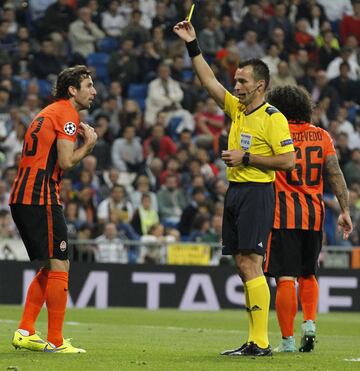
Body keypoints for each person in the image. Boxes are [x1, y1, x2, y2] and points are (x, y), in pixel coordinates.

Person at [173, 20, 295, 357]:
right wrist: (192, 44)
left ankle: (261, 342)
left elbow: (288, 161)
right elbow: (208, 79)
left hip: (257, 192)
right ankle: (255, 340)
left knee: (251, 264)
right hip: (236, 193)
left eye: (242, 81)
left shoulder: (273, 118)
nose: (235, 85)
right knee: (243, 265)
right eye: (236, 80)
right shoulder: (237, 109)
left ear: (260, 85)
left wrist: (248, 157)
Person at [9, 65, 98, 353]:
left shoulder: (47, 112)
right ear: (72, 90)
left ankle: (25, 330)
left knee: (50, 265)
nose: (94, 91)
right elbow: (65, 161)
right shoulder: (67, 113)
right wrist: (89, 145)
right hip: (40, 196)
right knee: (60, 263)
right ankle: (56, 342)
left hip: (23, 194)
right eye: (88, 86)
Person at [265, 85, 353, 353]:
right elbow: (335, 174)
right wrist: (345, 210)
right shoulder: (322, 136)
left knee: (284, 278)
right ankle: (311, 323)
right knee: (308, 274)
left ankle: (288, 340)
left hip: (283, 215)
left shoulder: (275, 132)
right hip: (314, 215)